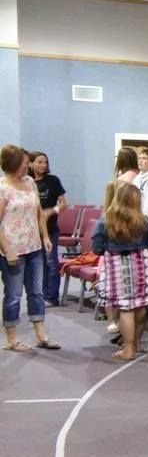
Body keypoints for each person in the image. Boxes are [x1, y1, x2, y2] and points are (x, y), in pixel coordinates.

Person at [92, 182, 148, 360]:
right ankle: (136, 343)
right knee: (140, 305)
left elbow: (96, 248)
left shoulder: (105, 220)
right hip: (140, 263)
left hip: (116, 264)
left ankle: (128, 348)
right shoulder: (144, 221)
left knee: (125, 308)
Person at [0, 145, 59, 352]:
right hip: (12, 250)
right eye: (26, 162)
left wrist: (45, 236)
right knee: (14, 294)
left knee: (36, 292)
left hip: (34, 246)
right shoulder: (2, 188)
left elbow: (38, 213)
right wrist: (8, 250)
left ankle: (41, 335)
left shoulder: (30, 182)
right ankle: (12, 338)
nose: (29, 165)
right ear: (14, 163)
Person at [30, 152, 68, 307]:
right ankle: (43, 294)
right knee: (39, 264)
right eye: (39, 162)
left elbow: (64, 204)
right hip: (32, 230)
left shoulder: (52, 180)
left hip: (50, 228)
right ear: (31, 163)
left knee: (51, 262)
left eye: (45, 162)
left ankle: (52, 296)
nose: (43, 165)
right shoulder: (28, 182)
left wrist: (52, 211)